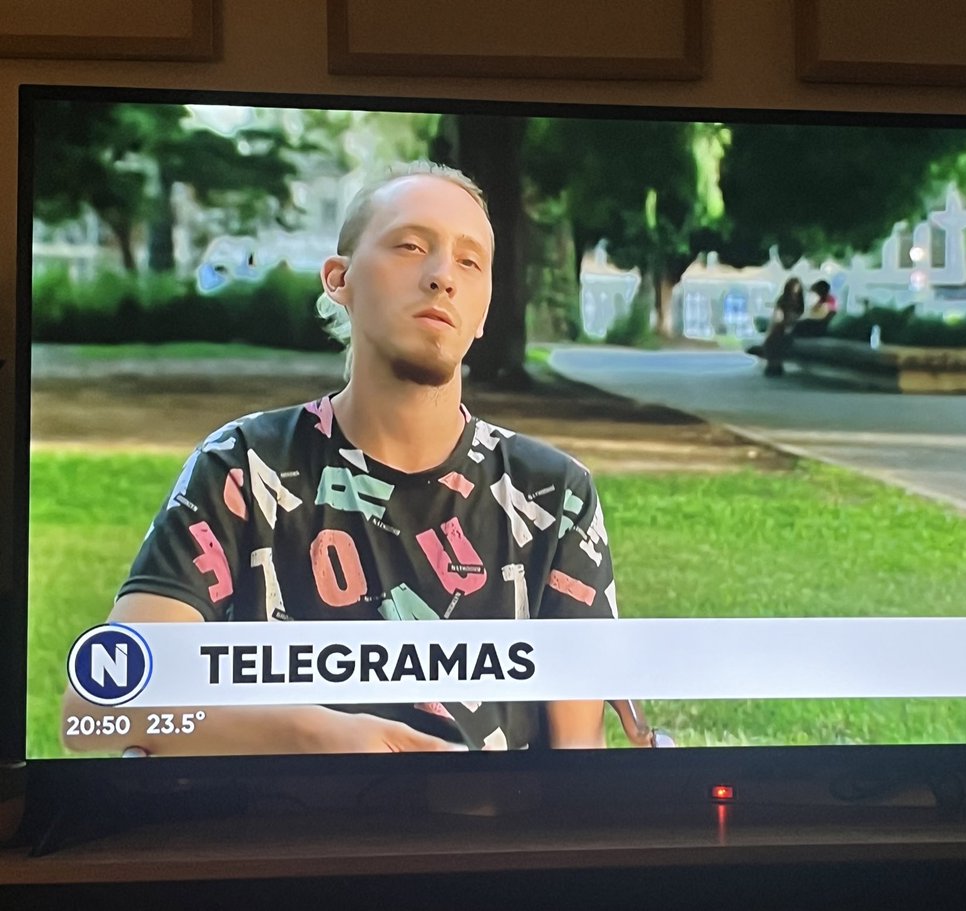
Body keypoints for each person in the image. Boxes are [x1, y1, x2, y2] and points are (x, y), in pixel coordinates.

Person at [62, 161, 616, 755]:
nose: (441, 277)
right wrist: (314, 735)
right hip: (276, 840)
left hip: (479, 843)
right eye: (410, 245)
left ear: (483, 311)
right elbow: (101, 710)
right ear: (338, 280)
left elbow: (575, 766)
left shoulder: (553, 493)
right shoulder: (244, 466)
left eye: (469, 261)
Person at [761, 278, 805, 376]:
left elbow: (801, 315)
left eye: (796, 286)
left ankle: (774, 364)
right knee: (775, 336)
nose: (795, 289)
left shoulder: (800, 302)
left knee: (778, 334)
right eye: (793, 287)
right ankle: (774, 364)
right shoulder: (782, 300)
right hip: (782, 324)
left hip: (795, 325)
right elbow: (778, 314)